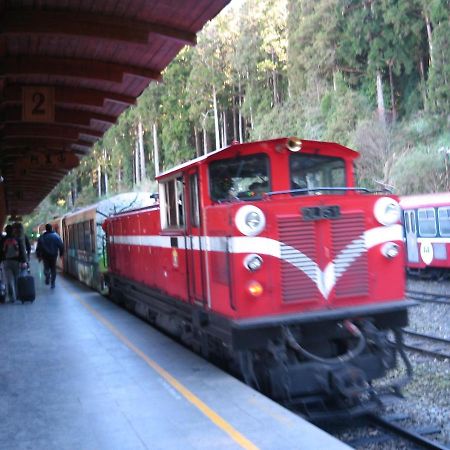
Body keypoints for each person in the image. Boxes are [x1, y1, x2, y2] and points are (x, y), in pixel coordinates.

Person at [0, 225, 27, 302]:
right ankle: (18, 295)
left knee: (9, 280)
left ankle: (12, 297)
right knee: (17, 279)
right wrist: (24, 261)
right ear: (12, 231)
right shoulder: (17, 239)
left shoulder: (2, 240)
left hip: (6, 262)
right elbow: (22, 250)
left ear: (6, 231)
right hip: (16, 262)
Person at [36, 224, 64, 289]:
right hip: (54, 256)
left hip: (45, 256)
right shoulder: (56, 236)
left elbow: (38, 248)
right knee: (53, 269)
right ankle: (53, 283)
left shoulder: (42, 237)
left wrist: (39, 256)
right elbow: (61, 246)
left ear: (46, 229)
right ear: (51, 228)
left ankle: (47, 275)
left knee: (46, 268)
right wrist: (61, 254)